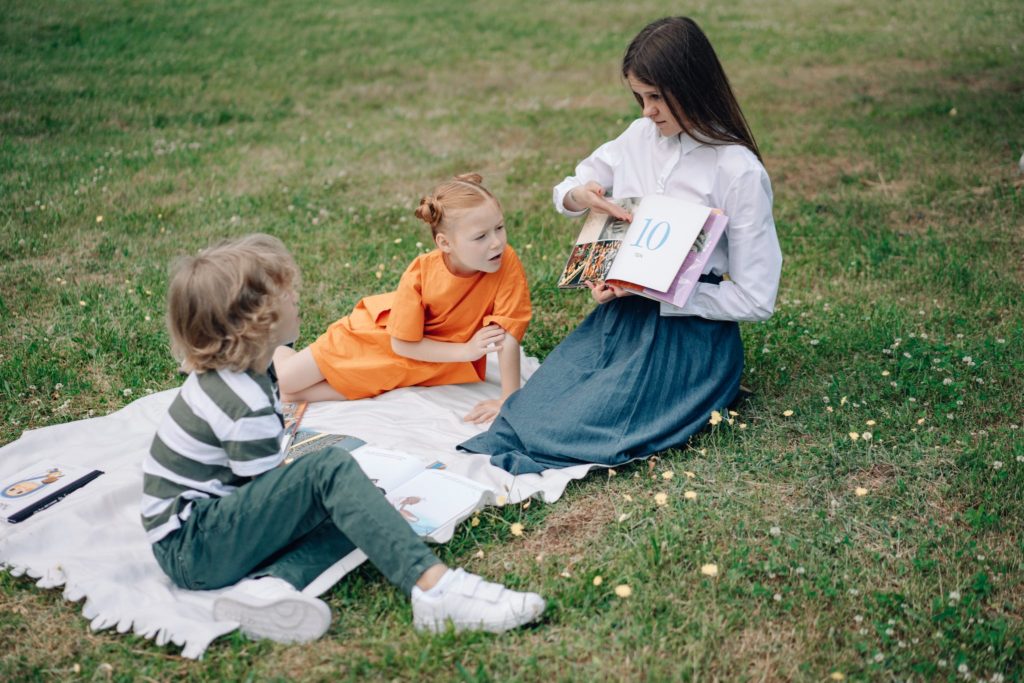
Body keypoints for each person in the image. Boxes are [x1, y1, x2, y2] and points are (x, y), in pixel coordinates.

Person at [141, 234, 545, 644]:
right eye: (284, 293)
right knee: (330, 471)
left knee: (366, 512)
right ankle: (437, 589)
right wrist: (327, 484)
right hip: (193, 546)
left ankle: (268, 590)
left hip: (204, 535)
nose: (295, 297)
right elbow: (264, 493)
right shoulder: (241, 401)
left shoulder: (246, 376)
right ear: (255, 322)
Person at [460, 16, 782, 473]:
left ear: (691, 85)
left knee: (575, 433)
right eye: (640, 97)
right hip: (620, 317)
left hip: (691, 335)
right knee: (526, 418)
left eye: (656, 97)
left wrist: (658, 292)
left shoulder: (738, 170)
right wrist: (583, 195)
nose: (647, 110)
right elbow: (567, 189)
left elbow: (756, 297)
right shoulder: (638, 138)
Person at [273, 173, 531, 424]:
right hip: (375, 340)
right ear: (445, 243)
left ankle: (285, 358)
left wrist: (507, 399)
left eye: (499, 228)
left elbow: (507, 333)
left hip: (429, 363)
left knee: (288, 395)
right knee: (284, 381)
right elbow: (402, 345)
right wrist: (467, 350)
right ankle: (277, 347)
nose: (497, 242)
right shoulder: (422, 272)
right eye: (481, 236)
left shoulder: (505, 261)